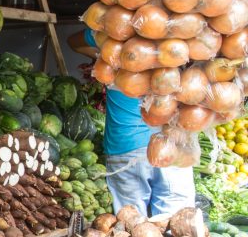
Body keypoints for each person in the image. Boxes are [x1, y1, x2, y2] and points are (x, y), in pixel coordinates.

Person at [67, 29, 195, 216]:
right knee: (177, 227)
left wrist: (105, 54)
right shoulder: (179, 43)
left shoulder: (118, 42)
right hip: (172, 145)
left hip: (128, 147)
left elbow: (73, 41)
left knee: (131, 229)